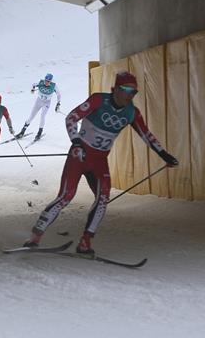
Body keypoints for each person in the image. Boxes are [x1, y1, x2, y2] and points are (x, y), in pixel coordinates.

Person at [23, 71, 178, 256]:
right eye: (126, 90)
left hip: (99, 161)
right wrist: (76, 141)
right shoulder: (98, 100)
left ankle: (85, 243)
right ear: (115, 89)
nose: (130, 95)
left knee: (103, 198)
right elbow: (71, 117)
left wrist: (164, 154)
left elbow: (146, 134)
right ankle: (35, 238)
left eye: (134, 92)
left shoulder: (131, 112)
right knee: (66, 196)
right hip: (79, 155)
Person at [16, 72, 61, 141]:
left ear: (51, 81)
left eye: (48, 81)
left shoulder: (53, 86)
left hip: (46, 103)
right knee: (31, 116)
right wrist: (32, 89)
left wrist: (58, 104)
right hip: (38, 102)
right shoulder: (41, 83)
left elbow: (59, 94)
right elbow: (33, 85)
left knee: (42, 116)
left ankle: (39, 133)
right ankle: (22, 132)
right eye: (46, 80)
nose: (46, 82)